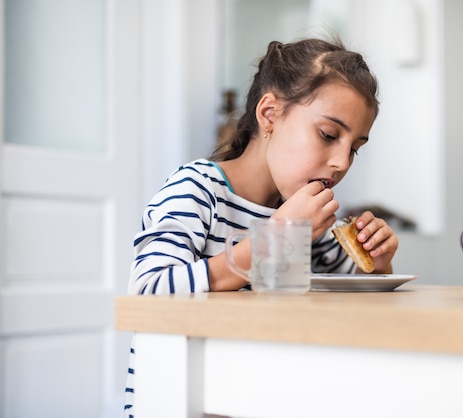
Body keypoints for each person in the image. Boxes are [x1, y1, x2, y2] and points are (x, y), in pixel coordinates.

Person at [124, 37, 398, 416]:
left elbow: (355, 295)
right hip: (181, 399)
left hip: (260, 396)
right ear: (269, 114)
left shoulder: (302, 216)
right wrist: (275, 238)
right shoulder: (197, 190)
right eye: (329, 135)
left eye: (354, 147)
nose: (341, 162)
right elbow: (147, 291)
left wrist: (378, 261)